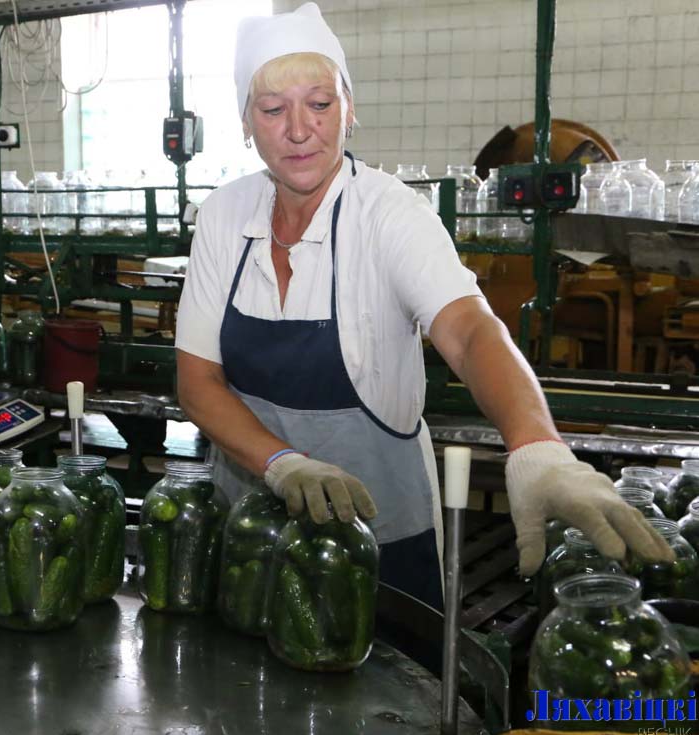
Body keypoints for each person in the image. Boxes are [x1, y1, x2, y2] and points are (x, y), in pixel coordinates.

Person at [174, 3, 672, 608]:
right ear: (246, 124)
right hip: (252, 526)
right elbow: (198, 382)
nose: (299, 129)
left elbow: (468, 330)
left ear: (350, 110)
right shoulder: (224, 216)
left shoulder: (390, 214)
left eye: (321, 104)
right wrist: (281, 464)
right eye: (273, 110)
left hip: (383, 537)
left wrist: (536, 444)